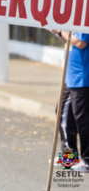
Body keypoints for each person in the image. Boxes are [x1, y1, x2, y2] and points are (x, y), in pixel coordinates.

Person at [48, 29, 89, 172]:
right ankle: (69, 157)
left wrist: (60, 31)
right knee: (63, 115)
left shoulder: (85, 20)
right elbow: (70, 41)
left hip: (81, 78)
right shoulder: (73, 22)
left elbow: (80, 43)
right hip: (70, 77)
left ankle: (88, 161)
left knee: (82, 120)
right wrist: (59, 34)